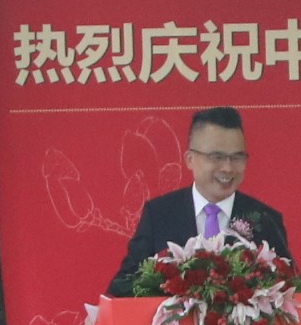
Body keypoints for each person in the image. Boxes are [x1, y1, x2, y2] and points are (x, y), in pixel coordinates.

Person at [114, 104, 290, 281]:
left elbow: (291, 285)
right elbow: (123, 285)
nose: (228, 168)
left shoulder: (266, 220)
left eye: (237, 157)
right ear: (190, 160)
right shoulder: (158, 215)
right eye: (217, 157)